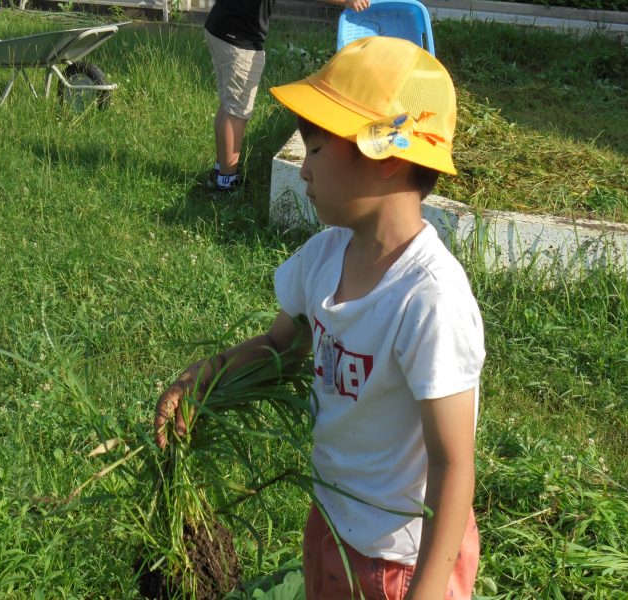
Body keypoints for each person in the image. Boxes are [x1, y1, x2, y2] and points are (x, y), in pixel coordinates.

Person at [156, 36, 485, 600]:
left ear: (389, 155)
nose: (303, 170)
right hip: (331, 522)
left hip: (401, 559)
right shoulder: (324, 256)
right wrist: (203, 375)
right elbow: (284, 345)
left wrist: (427, 593)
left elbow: (452, 466)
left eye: (314, 149)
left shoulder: (429, 299)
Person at [204, 0, 370, 191]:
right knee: (237, 112)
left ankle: (220, 171)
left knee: (229, 105)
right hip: (238, 38)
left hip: (220, 28)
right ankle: (226, 182)